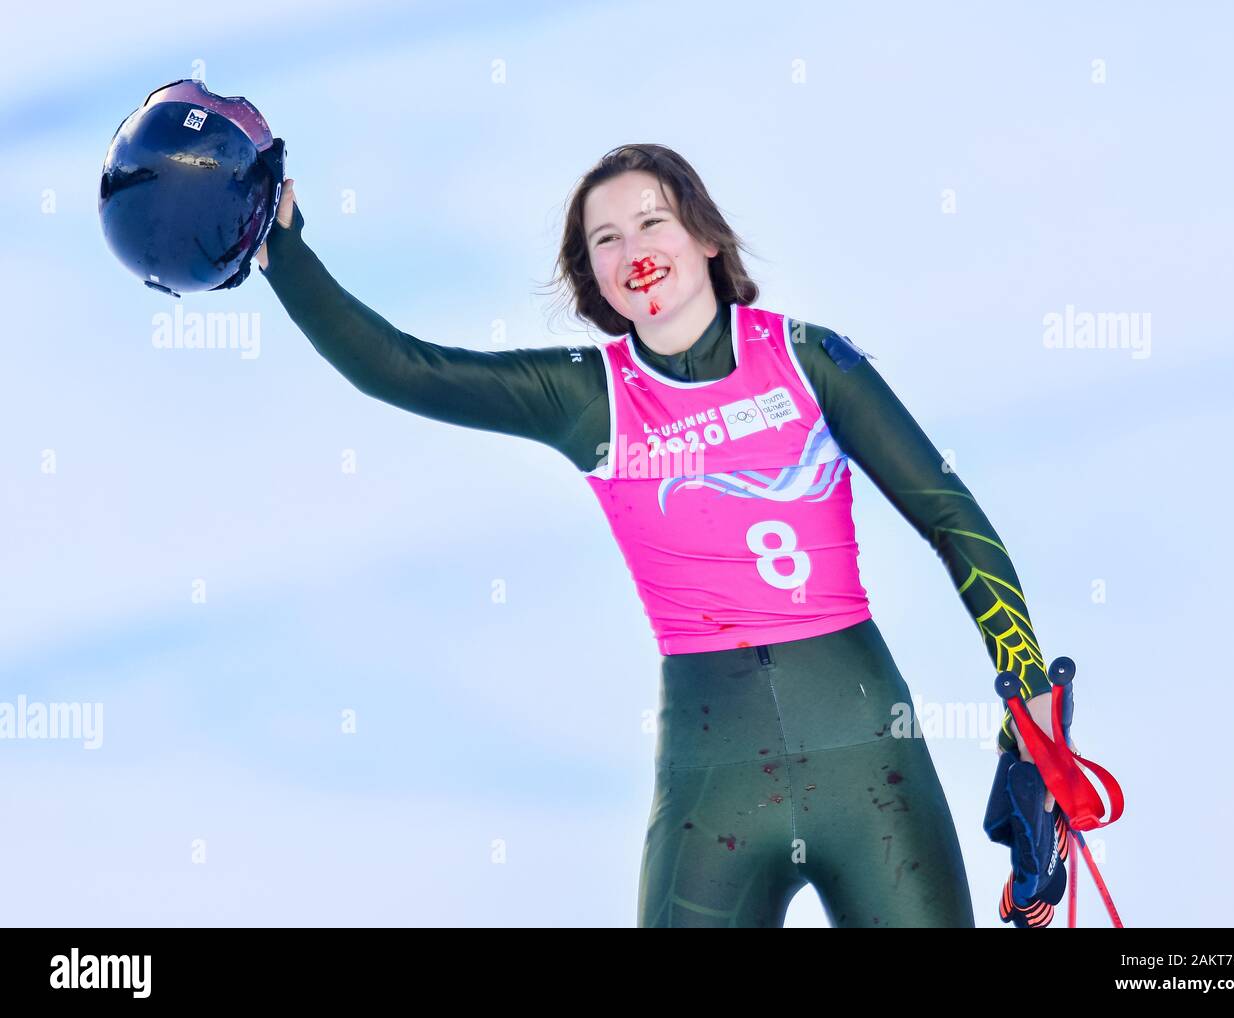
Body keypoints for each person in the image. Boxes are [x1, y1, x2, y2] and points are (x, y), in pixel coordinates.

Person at [256, 143, 1063, 928]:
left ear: (707, 237)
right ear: (594, 278)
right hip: (713, 792)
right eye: (606, 239)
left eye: (653, 222)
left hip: (871, 769)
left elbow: (952, 519)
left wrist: (1029, 705)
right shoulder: (588, 396)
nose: (632, 248)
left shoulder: (809, 359)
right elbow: (404, 367)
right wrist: (285, 258)